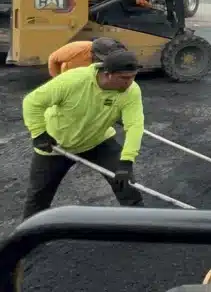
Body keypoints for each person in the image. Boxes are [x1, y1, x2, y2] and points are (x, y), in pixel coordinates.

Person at [21, 49, 146, 219]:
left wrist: (127, 161)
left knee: (125, 182)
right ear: (107, 74)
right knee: (38, 195)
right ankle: (29, 234)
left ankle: (141, 222)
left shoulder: (131, 91)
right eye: (124, 78)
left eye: (133, 77)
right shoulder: (74, 81)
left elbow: (134, 125)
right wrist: (39, 133)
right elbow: (32, 102)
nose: (130, 83)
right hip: (57, 145)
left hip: (98, 141)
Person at [47, 37, 125, 77]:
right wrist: (57, 78)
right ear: (92, 51)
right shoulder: (76, 49)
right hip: (70, 76)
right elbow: (53, 59)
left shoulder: (115, 54)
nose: (100, 60)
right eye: (99, 58)